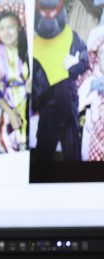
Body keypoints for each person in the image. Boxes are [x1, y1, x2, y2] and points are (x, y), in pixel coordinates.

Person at [31, 0, 88, 162]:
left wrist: (74, 67)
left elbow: (84, 58)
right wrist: (39, 98)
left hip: (68, 101)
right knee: (44, 152)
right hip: (48, 105)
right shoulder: (34, 44)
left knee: (72, 150)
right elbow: (33, 80)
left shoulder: (70, 35)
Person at [0, 3, 30, 154]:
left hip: (30, 99)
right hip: (4, 101)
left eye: (10, 27)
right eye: (1, 28)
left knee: (30, 137)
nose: (6, 33)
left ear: (19, 27)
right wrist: (10, 113)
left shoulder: (29, 49)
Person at [77, 26, 104, 161]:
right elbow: (76, 105)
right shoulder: (90, 80)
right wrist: (91, 90)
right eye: (103, 53)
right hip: (93, 139)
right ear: (97, 56)